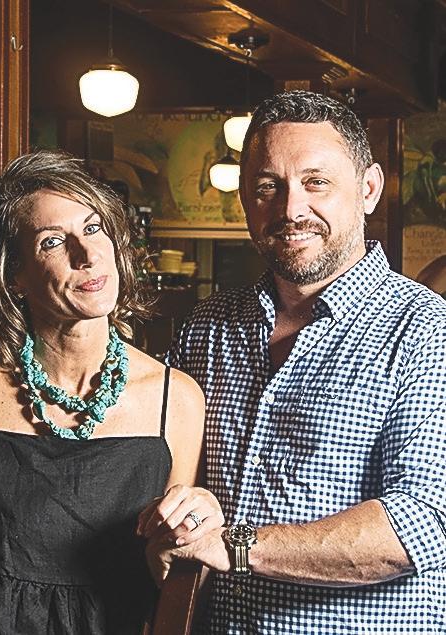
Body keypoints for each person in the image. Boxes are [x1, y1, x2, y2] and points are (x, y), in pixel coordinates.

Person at [144, 91, 446, 634]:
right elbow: (153, 465)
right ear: (245, 198)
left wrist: (234, 545)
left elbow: (420, 527)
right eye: (268, 186)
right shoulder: (206, 327)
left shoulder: (426, 329)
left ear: (369, 189)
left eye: (316, 182)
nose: (290, 209)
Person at [0, 149, 222, 634]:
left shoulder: (176, 400)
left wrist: (193, 530)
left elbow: (168, 577)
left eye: (94, 228)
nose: (87, 255)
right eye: (52, 241)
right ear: (14, 274)